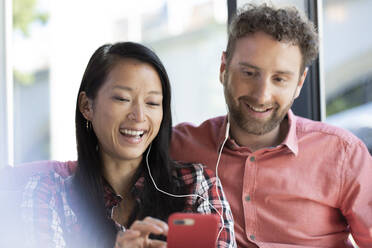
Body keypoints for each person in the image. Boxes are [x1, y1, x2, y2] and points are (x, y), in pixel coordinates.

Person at [170, 3, 372, 248]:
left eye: (279, 79)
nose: (262, 95)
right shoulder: (177, 146)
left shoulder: (343, 154)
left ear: (299, 83)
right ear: (224, 68)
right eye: (248, 73)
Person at [18, 42, 236, 248]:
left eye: (152, 103)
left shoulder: (197, 185)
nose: (139, 116)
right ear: (87, 106)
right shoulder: (48, 193)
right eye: (122, 99)